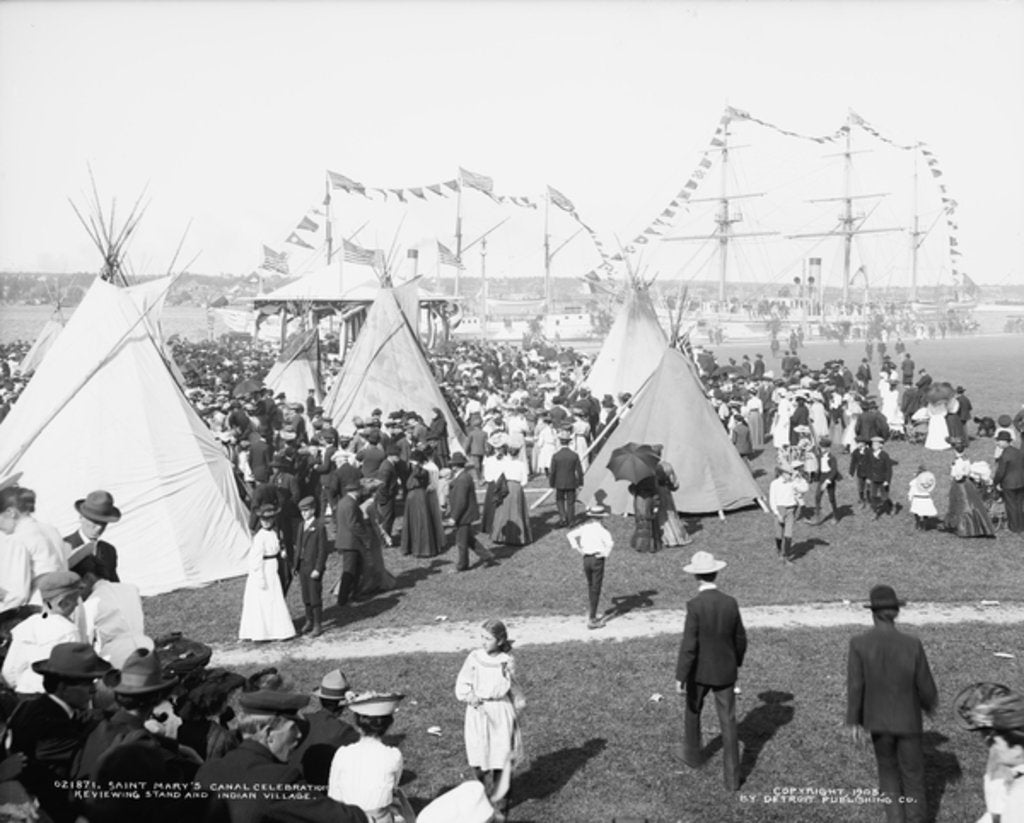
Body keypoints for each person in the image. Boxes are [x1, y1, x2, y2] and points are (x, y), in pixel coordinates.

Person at [196, 689, 369, 823]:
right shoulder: (279, 781)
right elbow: (345, 819)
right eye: (293, 729)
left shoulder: (208, 771)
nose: (299, 736)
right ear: (269, 734)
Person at [846, 584, 938, 823]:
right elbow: (925, 685)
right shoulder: (912, 644)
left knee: (887, 772)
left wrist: (854, 721)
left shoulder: (859, 644)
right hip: (908, 721)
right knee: (913, 777)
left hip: (877, 721)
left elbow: (856, 685)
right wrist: (929, 705)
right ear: (896, 612)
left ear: (872, 613)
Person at [8, 642, 112, 823]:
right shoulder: (50, 727)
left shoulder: (34, 706)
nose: (93, 689)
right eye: (87, 683)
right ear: (63, 687)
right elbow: (88, 748)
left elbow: (82, 718)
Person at [675, 550, 746, 791]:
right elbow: (740, 638)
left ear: (696, 577)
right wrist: (735, 661)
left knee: (692, 711)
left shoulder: (694, 606)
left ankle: (693, 754)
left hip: (699, 672)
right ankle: (733, 779)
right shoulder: (730, 602)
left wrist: (681, 675)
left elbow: (689, 644)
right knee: (729, 722)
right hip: (725, 670)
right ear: (716, 573)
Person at [456, 619, 525, 821]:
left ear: (500, 640)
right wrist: (470, 696)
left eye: (488, 638)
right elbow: (463, 682)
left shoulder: (507, 660)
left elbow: (513, 685)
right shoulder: (474, 658)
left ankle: (500, 806)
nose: (483, 642)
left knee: (500, 760)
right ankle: (481, 800)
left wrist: (518, 704)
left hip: (500, 712)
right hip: (478, 712)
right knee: (479, 758)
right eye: (481, 637)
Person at [328, 692, 415, 823]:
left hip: (348, 817)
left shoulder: (342, 753)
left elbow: (333, 794)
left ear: (358, 725)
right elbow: (394, 787)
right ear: (388, 725)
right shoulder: (393, 755)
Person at [2, 571, 84, 695]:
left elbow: (8, 672)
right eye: (75, 600)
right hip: (52, 699)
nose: (76, 605)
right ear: (64, 602)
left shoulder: (27, 626)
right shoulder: (68, 631)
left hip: (21, 697)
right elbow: (76, 674)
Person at [290, 669, 359, 786]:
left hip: (292, 782)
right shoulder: (344, 731)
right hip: (323, 789)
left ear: (320, 699)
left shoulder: (300, 721)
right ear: (343, 704)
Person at [238, 503, 296, 642]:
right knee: (263, 602)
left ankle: (276, 630)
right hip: (263, 571)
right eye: (264, 519)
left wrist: (282, 552)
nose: (266, 522)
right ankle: (261, 632)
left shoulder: (274, 533)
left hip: (272, 568)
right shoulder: (260, 537)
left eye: (269, 519)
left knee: (274, 600)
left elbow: (276, 548)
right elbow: (255, 561)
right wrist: (259, 578)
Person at [567, 504, 613, 629]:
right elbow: (610, 544)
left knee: (590, 585)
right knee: (596, 587)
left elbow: (570, 535)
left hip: (586, 559)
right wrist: (604, 554)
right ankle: (592, 618)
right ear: (602, 518)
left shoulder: (585, 528)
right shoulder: (603, 530)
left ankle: (592, 611)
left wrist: (578, 549)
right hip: (597, 559)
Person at [448, 453, 495, 573]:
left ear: (455, 466)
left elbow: (461, 500)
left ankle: (462, 565)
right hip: (467, 514)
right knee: (469, 539)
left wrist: (454, 517)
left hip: (463, 516)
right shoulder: (464, 476)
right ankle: (487, 556)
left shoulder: (462, 479)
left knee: (461, 542)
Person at [62, 489, 121, 582]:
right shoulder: (62, 547)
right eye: (95, 522)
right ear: (81, 517)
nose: (99, 528)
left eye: (104, 523)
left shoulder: (109, 551)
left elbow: (115, 587)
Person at [944, 437, 996, 538]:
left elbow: (958, 475)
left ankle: (965, 528)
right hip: (967, 483)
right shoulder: (966, 458)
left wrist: (954, 474)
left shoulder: (958, 461)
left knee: (962, 505)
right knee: (971, 503)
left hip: (959, 484)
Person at [294, 496, 329, 637]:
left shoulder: (319, 526)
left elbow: (322, 550)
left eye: (307, 511)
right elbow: (299, 545)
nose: (304, 514)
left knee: (315, 596)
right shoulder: (301, 525)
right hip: (302, 565)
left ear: (313, 510)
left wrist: (318, 568)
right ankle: (308, 620)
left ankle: (317, 624)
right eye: (302, 511)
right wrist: (296, 564)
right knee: (306, 596)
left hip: (313, 566)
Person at [490, 445, 532, 547]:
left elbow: (497, 477)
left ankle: (499, 536)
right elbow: (524, 481)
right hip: (516, 488)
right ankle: (519, 538)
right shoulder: (521, 464)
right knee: (517, 511)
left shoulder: (505, 463)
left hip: (506, 487)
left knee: (503, 511)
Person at [768, 461, 807, 562]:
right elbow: (772, 500)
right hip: (780, 509)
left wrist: (799, 479)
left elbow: (804, 489)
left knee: (788, 534)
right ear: (782, 473)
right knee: (779, 534)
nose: (790, 475)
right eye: (789, 473)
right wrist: (777, 513)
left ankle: (787, 556)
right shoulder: (775, 484)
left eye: (791, 473)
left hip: (791, 509)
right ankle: (779, 550)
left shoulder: (793, 483)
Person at [652, 445, 691, 546]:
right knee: (670, 513)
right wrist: (671, 486)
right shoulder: (666, 466)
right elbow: (674, 483)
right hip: (665, 491)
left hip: (654, 492)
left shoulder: (648, 467)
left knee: (660, 515)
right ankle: (677, 538)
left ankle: (665, 538)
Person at [549, 430, 584, 527]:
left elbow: (553, 472)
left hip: (559, 482)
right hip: (571, 481)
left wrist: (551, 483)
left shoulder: (556, 456)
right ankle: (571, 520)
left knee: (559, 500)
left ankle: (563, 517)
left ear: (560, 441)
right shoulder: (574, 455)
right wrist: (580, 483)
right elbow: (579, 471)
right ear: (569, 442)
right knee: (571, 502)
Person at [994, 430, 1024, 533]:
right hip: (1021, 482)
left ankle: (1014, 527)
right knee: (1019, 504)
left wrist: (995, 482)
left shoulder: (1004, 455)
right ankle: (1021, 525)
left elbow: (1000, 472)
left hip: (1009, 484)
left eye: (999, 441)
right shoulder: (1018, 452)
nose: (997, 443)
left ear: (1005, 442)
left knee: (1011, 505)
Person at [628, 475, 661, 554]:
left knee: (642, 522)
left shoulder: (638, 477)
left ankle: (641, 544)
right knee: (647, 523)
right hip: (647, 500)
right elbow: (655, 492)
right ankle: (647, 545)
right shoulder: (651, 476)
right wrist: (656, 505)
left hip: (640, 500)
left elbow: (631, 489)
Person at [865, 436, 895, 519]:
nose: (874, 445)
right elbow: (868, 466)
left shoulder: (885, 455)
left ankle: (891, 507)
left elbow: (889, 470)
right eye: (873, 444)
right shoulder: (870, 454)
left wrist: (887, 480)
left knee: (884, 497)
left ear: (880, 445)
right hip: (873, 479)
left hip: (882, 480)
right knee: (873, 496)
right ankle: (875, 512)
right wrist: (868, 477)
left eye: (876, 444)